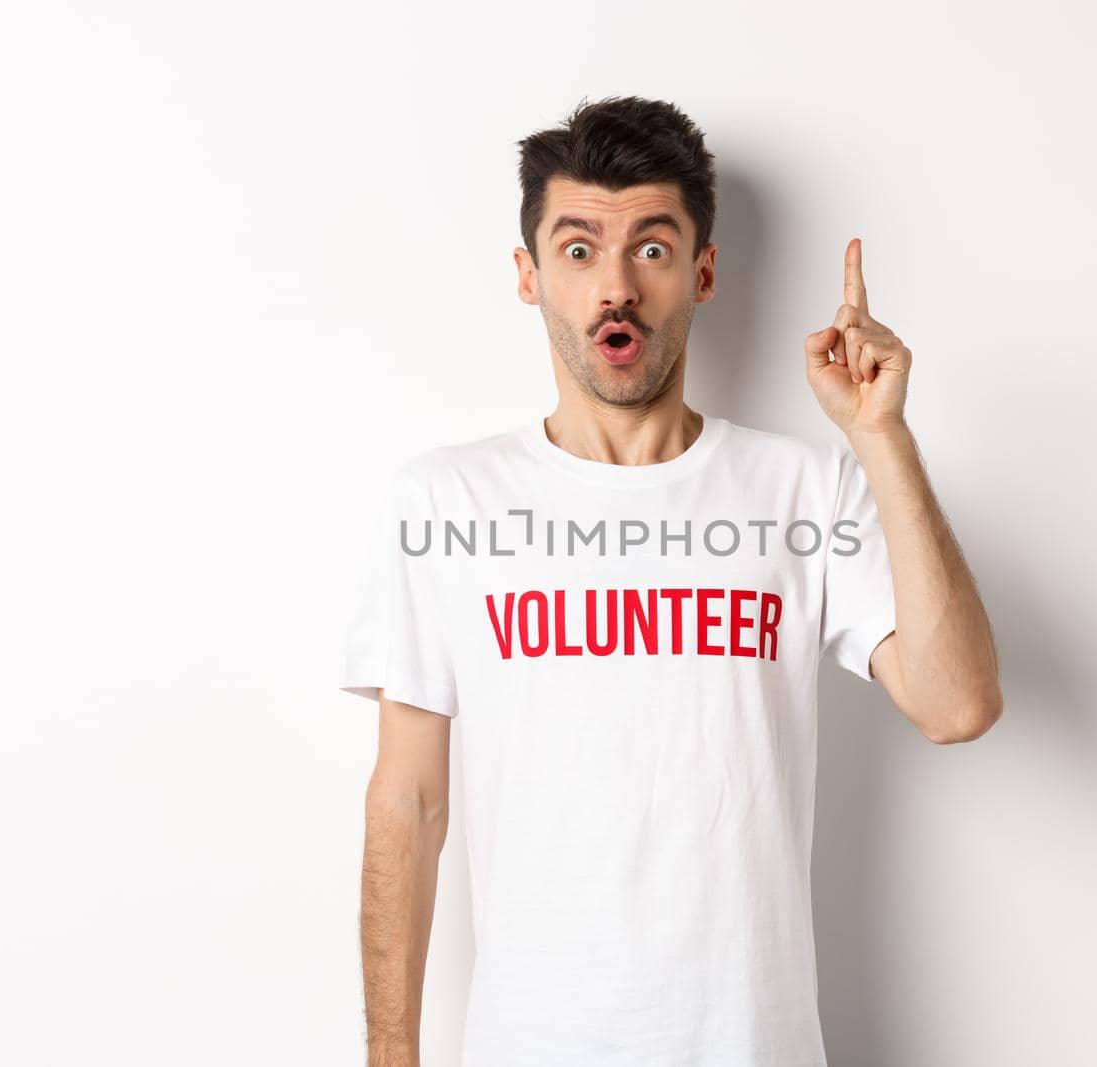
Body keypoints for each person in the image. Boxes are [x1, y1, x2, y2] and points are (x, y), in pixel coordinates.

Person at [340, 94, 1003, 1066]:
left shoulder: (801, 485)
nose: (615, 286)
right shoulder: (450, 498)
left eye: (650, 249)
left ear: (701, 272)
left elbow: (957, 705)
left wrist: (880, 439)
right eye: (578, 250)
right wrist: (389, 1055)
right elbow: (408, 798)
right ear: (529, 277)